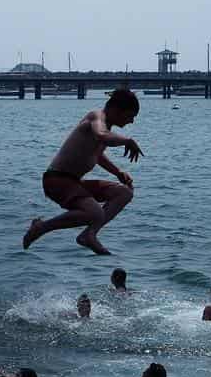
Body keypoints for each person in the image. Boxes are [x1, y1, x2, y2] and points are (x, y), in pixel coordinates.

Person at [23, 88, 143, 256]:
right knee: (95, 212)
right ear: (116, 110)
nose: (131, 121)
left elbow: (98, 156)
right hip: (57, 180)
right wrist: (127, 140)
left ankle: (90, 234)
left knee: (124, 193)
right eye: (130, 115)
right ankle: (42, 227)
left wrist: (118, 172)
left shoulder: (106, 126)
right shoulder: (96, 117)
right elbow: (102, 135)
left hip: (74, 182)